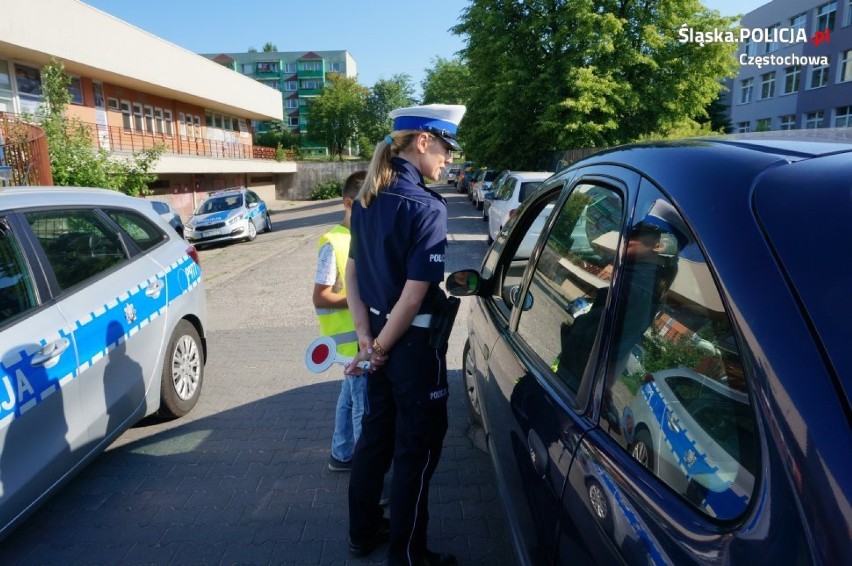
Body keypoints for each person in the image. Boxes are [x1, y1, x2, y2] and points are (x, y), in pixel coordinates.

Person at [343, 104, 465, 566]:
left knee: (375, 440)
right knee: (416, 450)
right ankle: (409, 556)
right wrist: (382, 348)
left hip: (377, 339)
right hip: (409, 349)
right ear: (423, 142)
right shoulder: (425, 207)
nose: (449, 159)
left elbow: (352, 273)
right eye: (446, 148)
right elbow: (413, 298)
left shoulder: (370, 197)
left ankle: (362, 532)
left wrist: (367, 341)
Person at [312, 170, 366, 472]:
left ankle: (342, 454)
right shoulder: (334, 242)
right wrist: (361, 299)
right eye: (366, 204)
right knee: (362, 407)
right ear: (348, 203)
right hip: (349, 342)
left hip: (356, 341)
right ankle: (365, 474)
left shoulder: (360, 236)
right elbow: (320, 296)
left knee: (349, 399)